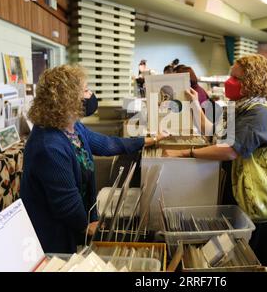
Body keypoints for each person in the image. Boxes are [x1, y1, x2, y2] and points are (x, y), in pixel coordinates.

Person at [20, 65, 165, 254]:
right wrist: (87, 228)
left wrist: (148, 140)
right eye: (86, 90)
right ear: (68, 100)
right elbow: (67, 202)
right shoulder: (49, 145)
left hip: (73, 222)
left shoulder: (72, 127)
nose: (91, 95)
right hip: (53, 233)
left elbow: (107, 144)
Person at [163, 54, 267, 268]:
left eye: (235, 78)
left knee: (252, 254)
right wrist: (194, 103)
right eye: (230, 76)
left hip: (255, 200)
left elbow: (230, 150)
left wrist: (187, 153)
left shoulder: (258, 114)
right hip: (239, 191)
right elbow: (211, 131)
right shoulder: (239, 108)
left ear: (251, 82)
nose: (229, 82)